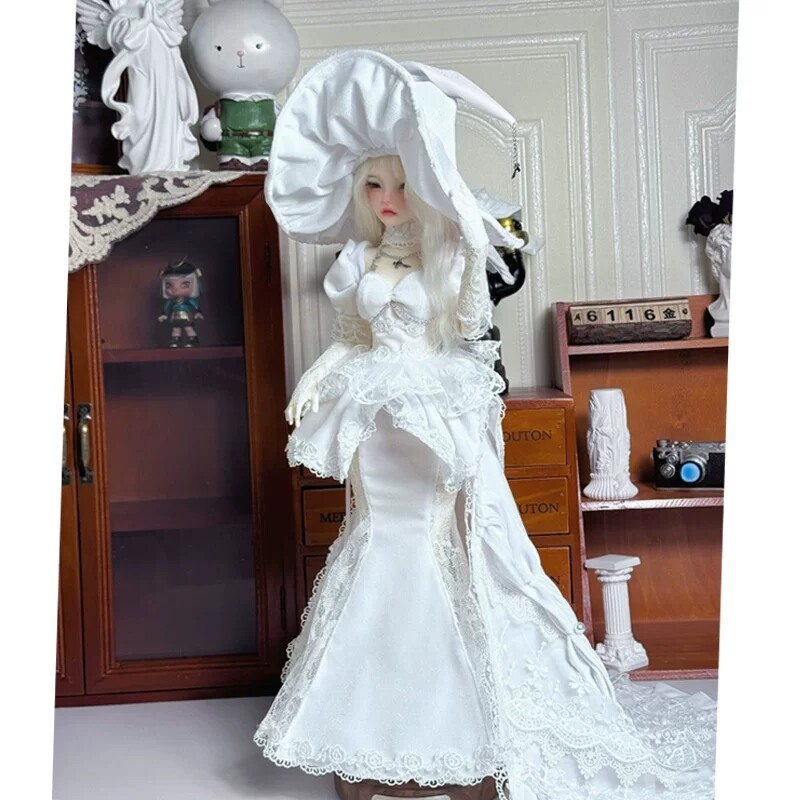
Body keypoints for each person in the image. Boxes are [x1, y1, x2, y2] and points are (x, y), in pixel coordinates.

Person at [254, 49, 716, 799]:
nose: (388, 199)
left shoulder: (449, 256)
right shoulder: (356, 260)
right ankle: (369, 734)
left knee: (428, 546)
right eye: (374, 185)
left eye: (402, 183)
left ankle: (457, 728)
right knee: (373, 541)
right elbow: (350, 336)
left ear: (425, 182)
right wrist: (314, 381)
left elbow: (470, 341)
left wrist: (470, 252)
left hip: (430, 417)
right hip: (377, 420)